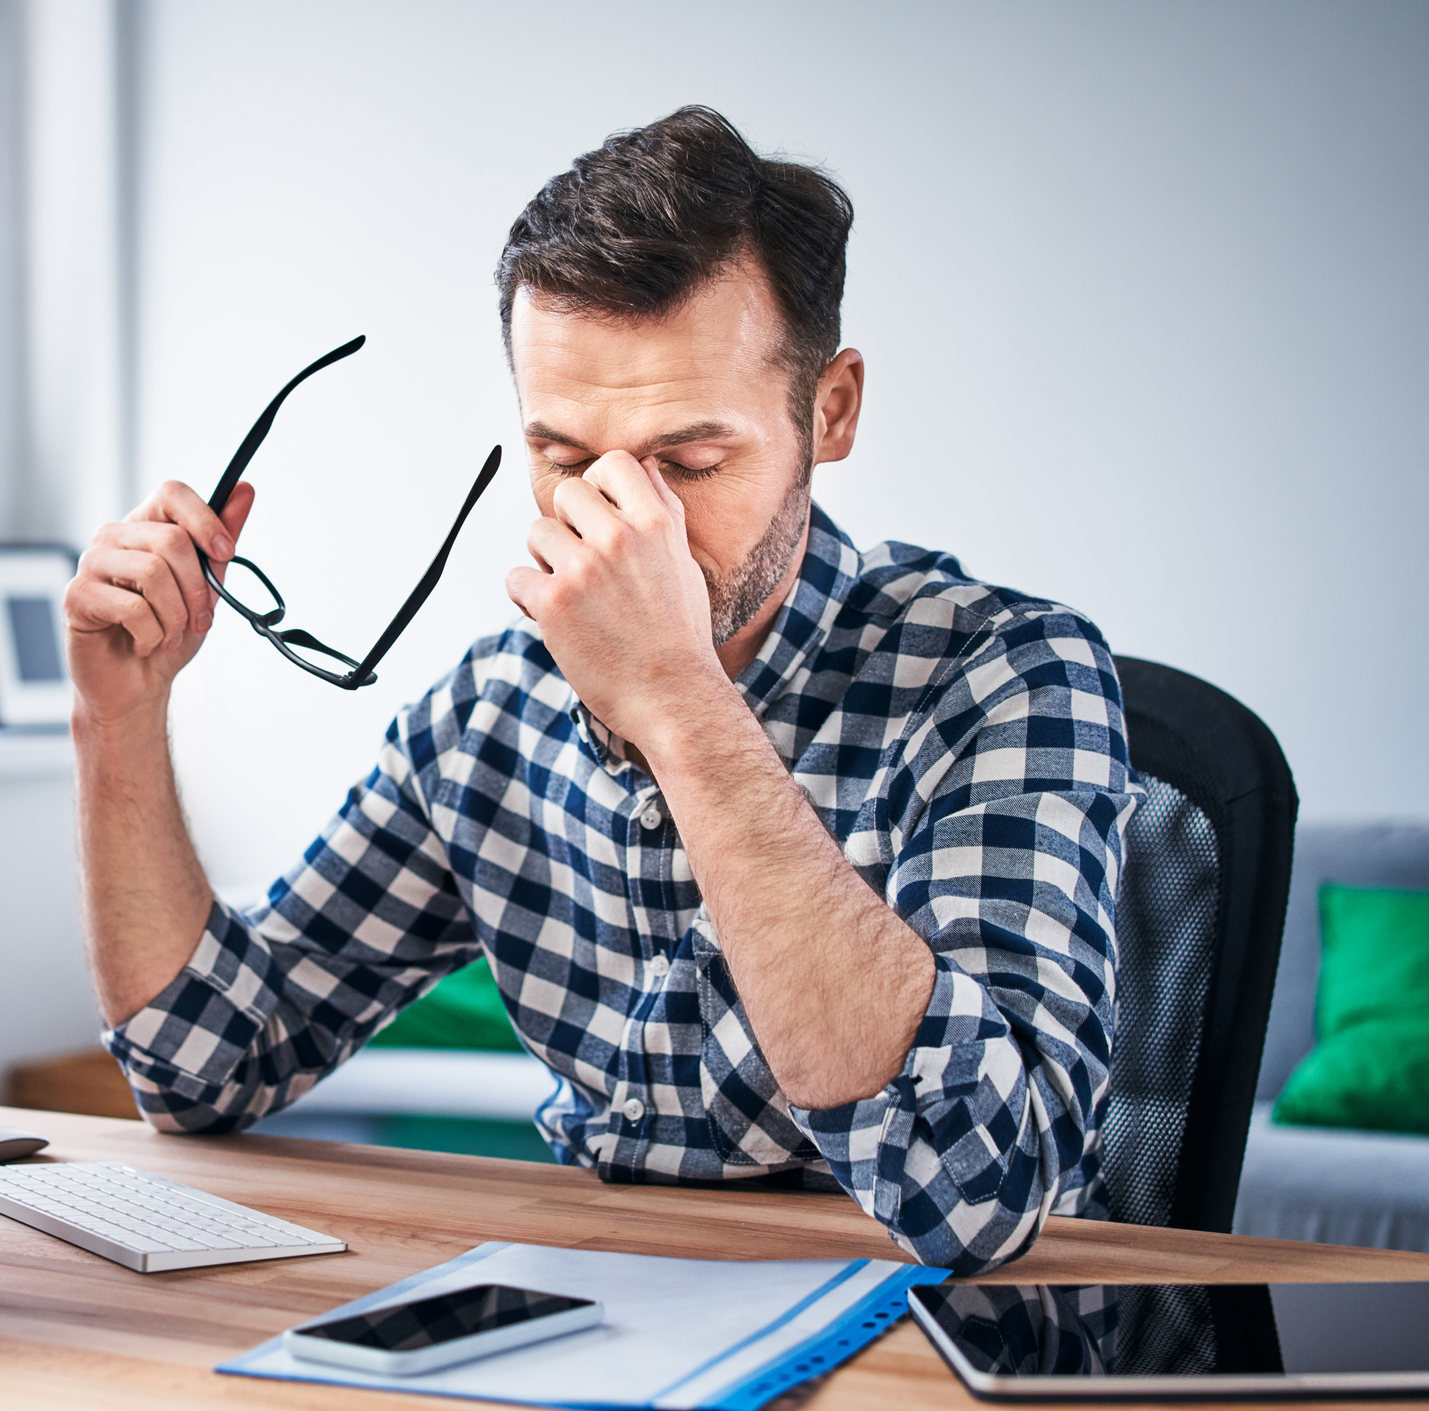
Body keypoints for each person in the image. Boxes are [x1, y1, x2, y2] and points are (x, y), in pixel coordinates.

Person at [62, 106, 1137, 1275]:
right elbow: (203, 1063)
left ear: (827, 411)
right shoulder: (488, 717)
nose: (627, 524)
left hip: (926, 1330)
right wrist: (118, 720)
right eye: (565, 460)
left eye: (688, 461)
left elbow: (974, 1190)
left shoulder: (1002, 678)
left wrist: (677, 699)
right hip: (601, 1302)